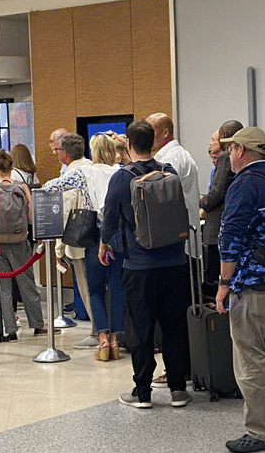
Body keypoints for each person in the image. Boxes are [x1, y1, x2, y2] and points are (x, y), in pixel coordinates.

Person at [99, 120, 192, 408]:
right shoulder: (169, 171)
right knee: (175, 326)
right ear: (154, 143)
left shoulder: (122, 178)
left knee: (141, 329)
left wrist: (104, 244)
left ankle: (142, 392)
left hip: (139, 266)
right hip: (176, 262)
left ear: (127, 144)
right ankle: (178, 388)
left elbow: (110, 217)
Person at [215, 127, 265, 453]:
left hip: (251, 285)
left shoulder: (243, 185)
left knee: (250, 358)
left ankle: (260, 431)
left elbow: (230, 237)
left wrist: (223, 284)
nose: (229, 156)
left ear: (242, 151)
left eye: (231, 150)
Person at [43, 133, 97, 343]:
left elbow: (64, 214)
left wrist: (59, 250)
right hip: (99, 237)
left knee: (87, 288)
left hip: (80, 241)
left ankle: (97, 332)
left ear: (64, 153)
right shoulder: (93, 168)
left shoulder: (70, 177)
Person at [0, 150, 46, 341]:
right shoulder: (22, 187)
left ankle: (10, 329)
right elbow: (31, 217)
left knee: (4, 287)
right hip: (19, 241)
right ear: (12, 167)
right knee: (26, 283)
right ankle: (38, 324)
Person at [84, 132, 127, 360]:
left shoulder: (86, 172)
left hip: (95, 234)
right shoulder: (120, 173)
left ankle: (102, 340)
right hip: (118, 233)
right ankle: (115, 341)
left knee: (96, 290)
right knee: (118, 288)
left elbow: (60, 186)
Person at [200, 120, 245, 301]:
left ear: (225, 137)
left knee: (214, 279)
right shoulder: (243, 157)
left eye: (215, 138)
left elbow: (217, 192)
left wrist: (201, 202)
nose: (211, 143)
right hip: (232, 224)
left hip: (216, 225)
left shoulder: (227, 157)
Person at [147, 112, 202, 258]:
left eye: (150, 132)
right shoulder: (175, 155)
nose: (146, 138)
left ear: (165, 132)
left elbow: (162, 196)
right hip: (180, 240)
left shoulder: (173, 158)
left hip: (179, 243)